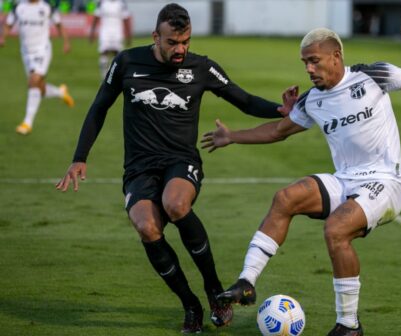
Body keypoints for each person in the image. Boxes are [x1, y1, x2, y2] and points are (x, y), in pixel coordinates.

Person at [201, 28, 401, 336]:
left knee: (336, 229)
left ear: (336, 56)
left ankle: (349, 325)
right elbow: (278, 131)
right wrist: (232, 136)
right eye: (304, 62)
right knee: (285, 198)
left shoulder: (374, 76)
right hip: (346, 180)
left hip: (386, 182)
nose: (308, 69)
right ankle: (246, 282)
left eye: (314, 61)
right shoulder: (312, 100)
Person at [55, 3, 291, 334]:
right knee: (147, 228)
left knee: (176, 204)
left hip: (181, 160)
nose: (181, 49)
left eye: (186, 41)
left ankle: (214, 291)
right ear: (156, 36)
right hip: (139, 167)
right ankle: (190, 305)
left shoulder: (201, 68)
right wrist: (80, 156)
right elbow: (98, 108)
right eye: (173, 43)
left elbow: (245, 100)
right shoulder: (126, 62)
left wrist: (282, 109)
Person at [0, 0, 75, 135]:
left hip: (42, 50)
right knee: (38, 87)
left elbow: (59, 24)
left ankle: (27, 123)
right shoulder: (18, 7)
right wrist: (3, 37)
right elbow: (8, 24)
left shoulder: (46, 7)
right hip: (26, 52)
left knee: (33, 81)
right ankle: (60, 92)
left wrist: (66, 42)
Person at [89, 0, 132, 79]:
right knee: (103, 53)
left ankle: (112, 77)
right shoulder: (102, 2)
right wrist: (92, 32)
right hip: (105, 31)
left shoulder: (122, 3)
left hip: (117, 31)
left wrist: (128, 35)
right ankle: (104, 77)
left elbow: (126, 19)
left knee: (117, 55)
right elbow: (96, 17)